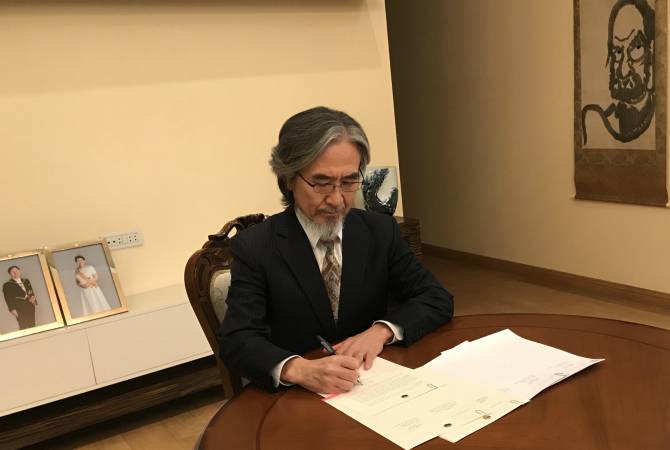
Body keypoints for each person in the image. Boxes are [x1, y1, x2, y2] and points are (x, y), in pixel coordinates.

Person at [218, 106, 454, 394]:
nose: (337, 200)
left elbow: (436, 297)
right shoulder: (256, 246)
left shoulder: (380, 231)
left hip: (374, 385)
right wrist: (298, 368)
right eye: (321, 183)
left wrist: (381, 331)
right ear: (289, 178)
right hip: (299, 396)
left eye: (349, 181)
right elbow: (237, 339)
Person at [582, 0, 655, 144]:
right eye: (618, 51)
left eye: (636, 48)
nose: (623, 71)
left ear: (651, 56)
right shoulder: (595, 120)